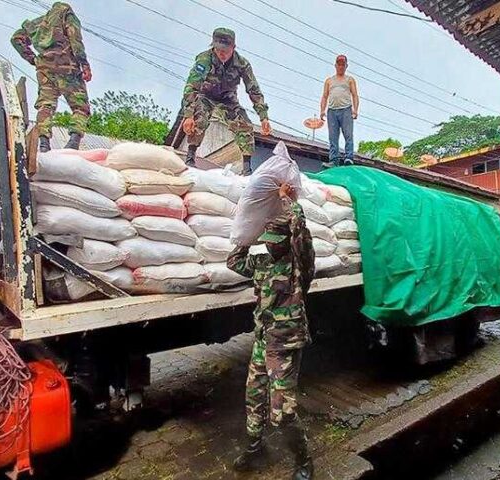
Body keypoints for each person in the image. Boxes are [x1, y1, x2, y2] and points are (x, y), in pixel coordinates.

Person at [227, 184, 316, 480]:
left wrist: (286, 200)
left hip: (285, 345)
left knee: (283, 412)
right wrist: (248, 234)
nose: (271, 247)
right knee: (253, 397)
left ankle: (303, 459)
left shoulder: (299, 265)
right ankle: (255, 448)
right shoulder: (262, 263)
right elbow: (234, 261)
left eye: (276, 242)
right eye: (267, 242)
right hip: (263, 340)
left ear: (287, 240)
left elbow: (301, 231)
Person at [182, 28, 271, 176]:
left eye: (225, 50)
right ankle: (190, 158)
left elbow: (253, 89)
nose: (221, 53)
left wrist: (263, 117)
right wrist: (188, 115)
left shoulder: (242, 64)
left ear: (233, 48)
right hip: (205, 96)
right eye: (218, 49)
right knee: (199, 118)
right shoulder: (204, 59)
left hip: (228, 99)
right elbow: (192, 86)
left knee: (245, 125)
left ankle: (247, 169)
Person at [11, 2, 92, 153]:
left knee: (46, 105)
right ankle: (73, 142)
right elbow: (75, 40)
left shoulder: (37, 23)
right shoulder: (67, 15)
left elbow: (16, 38)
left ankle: (44, 143)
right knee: (80, 107)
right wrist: (84, 64)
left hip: (45, 69)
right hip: (68, 67)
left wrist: (32, 59)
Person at [320, 54, 359, 168]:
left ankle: (349, 157)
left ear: (346, 66)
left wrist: (355, 110)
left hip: (346, 109)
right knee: (333, 137)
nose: (341, 66)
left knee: (348, 134)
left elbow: (355, 95)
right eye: (339, 64)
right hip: (332, 111)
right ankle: (333, 160)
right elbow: (325, 96)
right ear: (335, 65)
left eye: (343, 64)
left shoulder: (350, 80)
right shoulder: (329, 81)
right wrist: (322, 110)